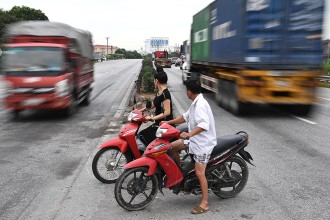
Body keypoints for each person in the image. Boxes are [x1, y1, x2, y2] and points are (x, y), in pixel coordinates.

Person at [163, 79, 216, 215]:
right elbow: (183, 118)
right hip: (194, 141)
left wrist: (189, 134)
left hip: (202, 144)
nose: (186, 92)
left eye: (186, 90)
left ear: (189, 92)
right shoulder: (195, 103)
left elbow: (204, 125)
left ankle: (204, 203)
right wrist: (167, 123)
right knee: (171, 147)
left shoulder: (201, 105)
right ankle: (180, 174)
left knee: (200, 173)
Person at [139, 68, 174, 145]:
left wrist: (152, 118)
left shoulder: (165, 94)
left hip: (165, 126)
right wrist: (139, 111)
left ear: (156, 81)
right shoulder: (159, 92)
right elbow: (152, 105)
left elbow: (167, 112)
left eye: (154, 80)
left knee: (143, 136)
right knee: (142, 135)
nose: (154, 82)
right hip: (159, 124)